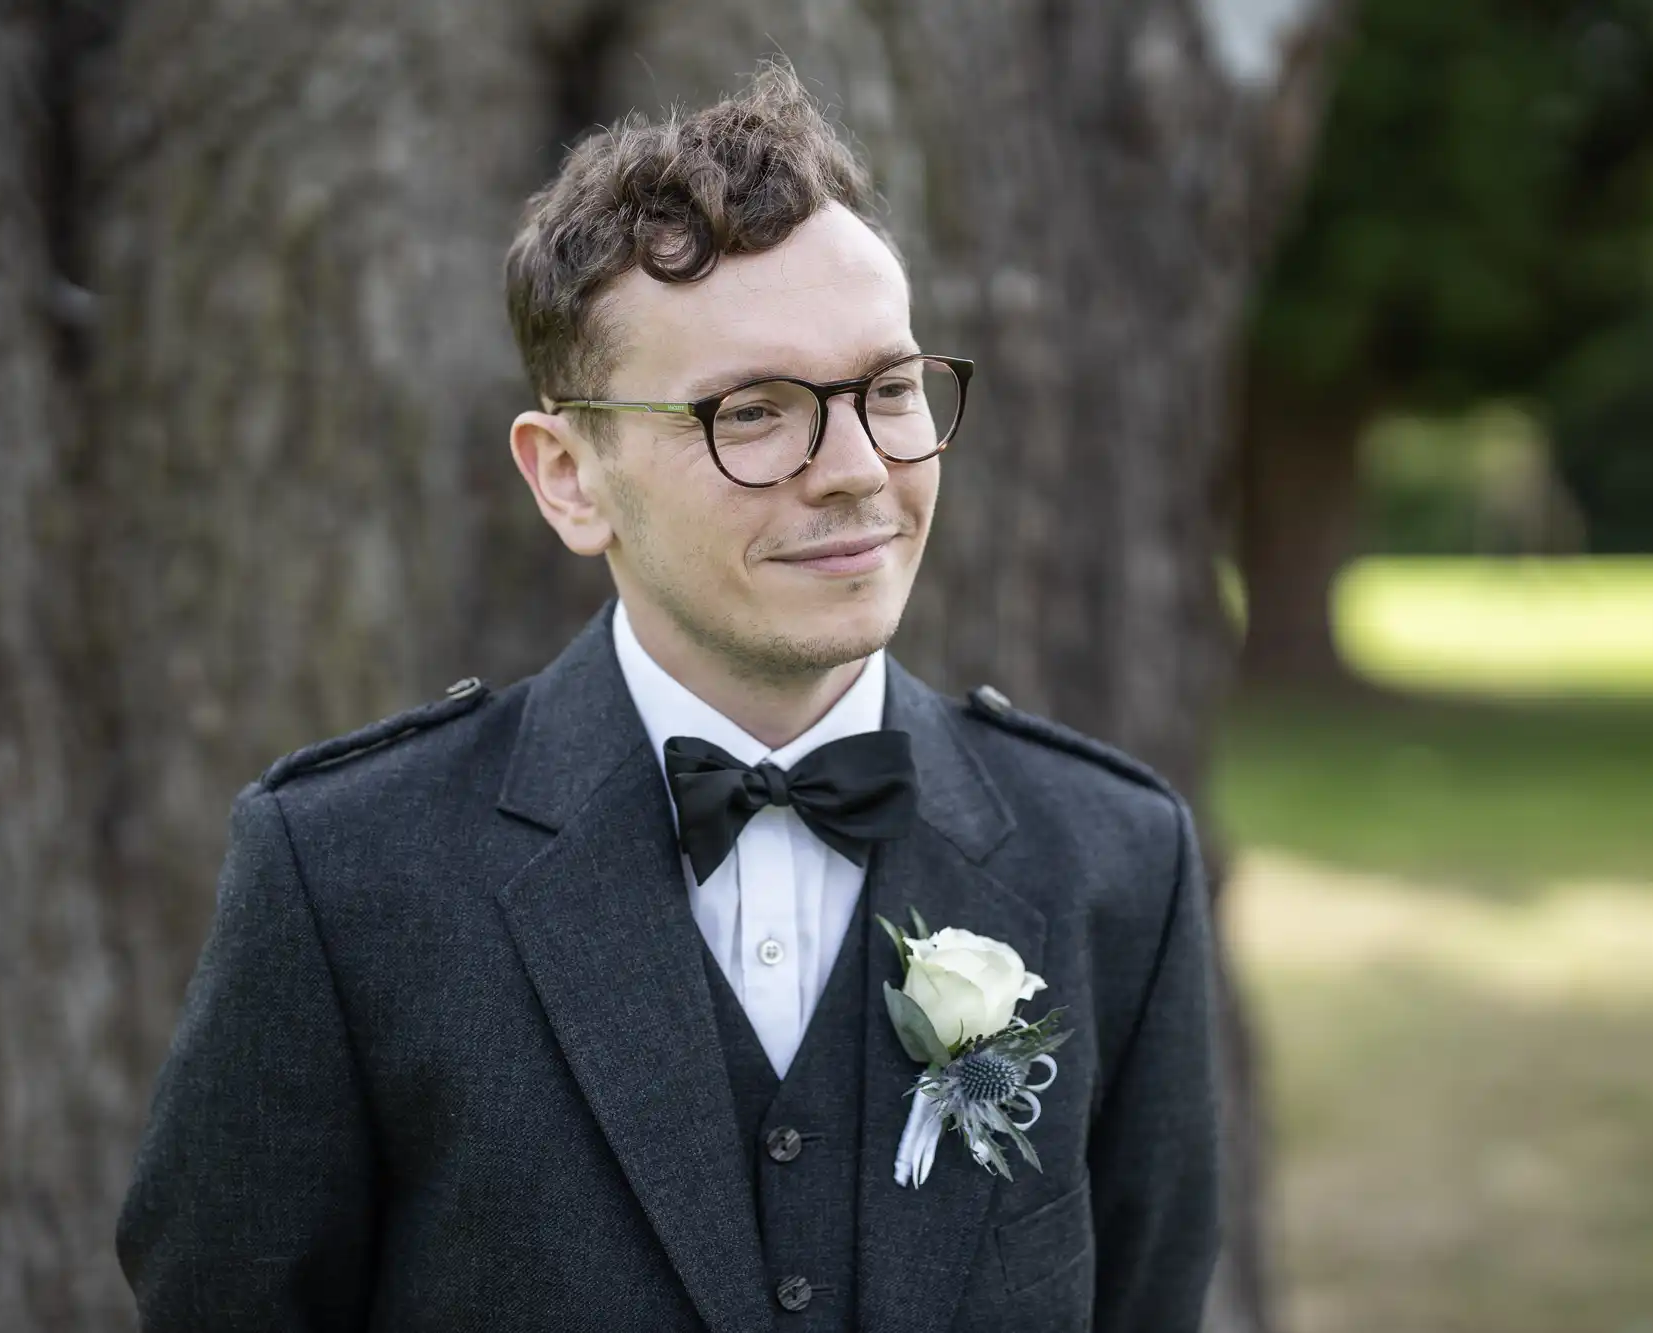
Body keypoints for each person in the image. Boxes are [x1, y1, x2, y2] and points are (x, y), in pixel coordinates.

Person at [116, 60, 1219, 1333]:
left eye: (890, 390)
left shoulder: (1113, 859)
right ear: (570, 477)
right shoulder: (348, 874)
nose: (858, 470)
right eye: (752, 413)